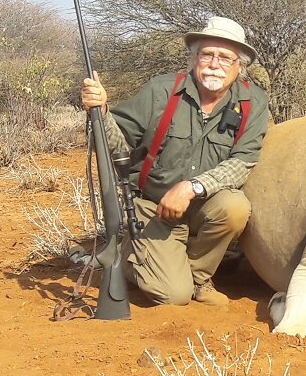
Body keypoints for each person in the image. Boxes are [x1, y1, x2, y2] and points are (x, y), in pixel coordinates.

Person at [80, 17, 269, 307]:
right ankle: (133, 256)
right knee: (172, 296)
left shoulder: (252, 101)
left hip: (203, 203)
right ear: (194, 58)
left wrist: (191, 188)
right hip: (152, 206)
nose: (214, 63)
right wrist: (102, 111)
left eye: (225, 57)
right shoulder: (162, 91)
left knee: (235, 207)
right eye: (207, 54)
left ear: (239, 66)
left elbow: (243, 161)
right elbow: (114, 148)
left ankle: (198, 278)